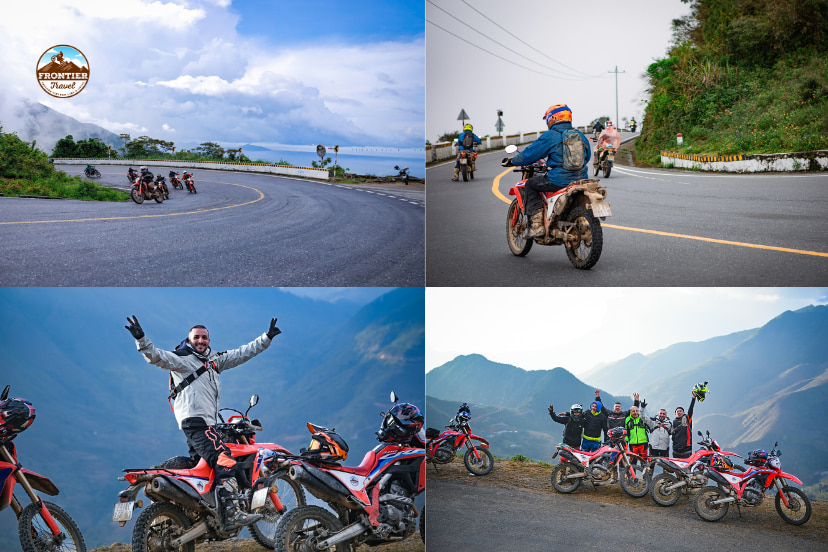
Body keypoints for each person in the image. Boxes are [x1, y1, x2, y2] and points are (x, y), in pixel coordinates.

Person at [124, 315, 282, 530]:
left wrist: (266, 338)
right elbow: (156, 357)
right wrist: (141, 338)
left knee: (199, 463)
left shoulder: (215, 361)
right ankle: (231, 515)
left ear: (209, 340)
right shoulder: (181, 359)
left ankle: (196, 506)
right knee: (225, 459)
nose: (201, 341)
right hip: (197, 422)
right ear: (189, 340)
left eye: (204, 337)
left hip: (204, 424)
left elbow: (242, 353)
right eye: (196, 337)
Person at [501, 104, 590, 238]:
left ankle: (537, 226)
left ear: (552, 119)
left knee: (530, 184)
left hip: (559, 180)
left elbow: (530, 154)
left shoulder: (551, 136)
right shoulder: (580, 135)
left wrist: (512, 161)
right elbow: (586, 157)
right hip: (581, 178)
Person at [670, 383, 708, 459]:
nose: (679, 412)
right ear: (675, 414)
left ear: (683, 413)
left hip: (686, 449)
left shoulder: (687, 418)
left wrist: (693, 398)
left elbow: (691, 409)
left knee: (686, 470)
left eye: (680, 411)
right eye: (677, 411)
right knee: (676, 469)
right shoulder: (673, 422)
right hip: (675, 449)